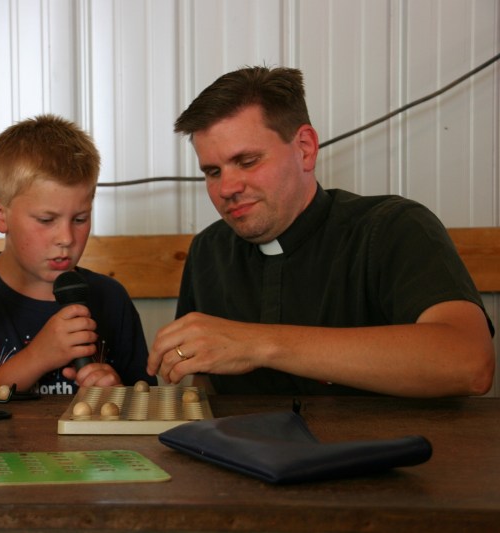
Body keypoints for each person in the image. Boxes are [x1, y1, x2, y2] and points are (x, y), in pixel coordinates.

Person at [147, 66, 495, 397]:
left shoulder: (391, 228)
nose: (226, 188)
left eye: (247, 161)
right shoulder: (209, 250)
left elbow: (470, 364)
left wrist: (258, 344)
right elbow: (203, 386)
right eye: (212, 171)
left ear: (305, 149)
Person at [0, 114, 155, 394]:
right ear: (0, 215)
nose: (66, 238)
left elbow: (144, 407)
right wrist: (37, 358)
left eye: (80, 219)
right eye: (45, 220)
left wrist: (118, 391)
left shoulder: (112, 299)